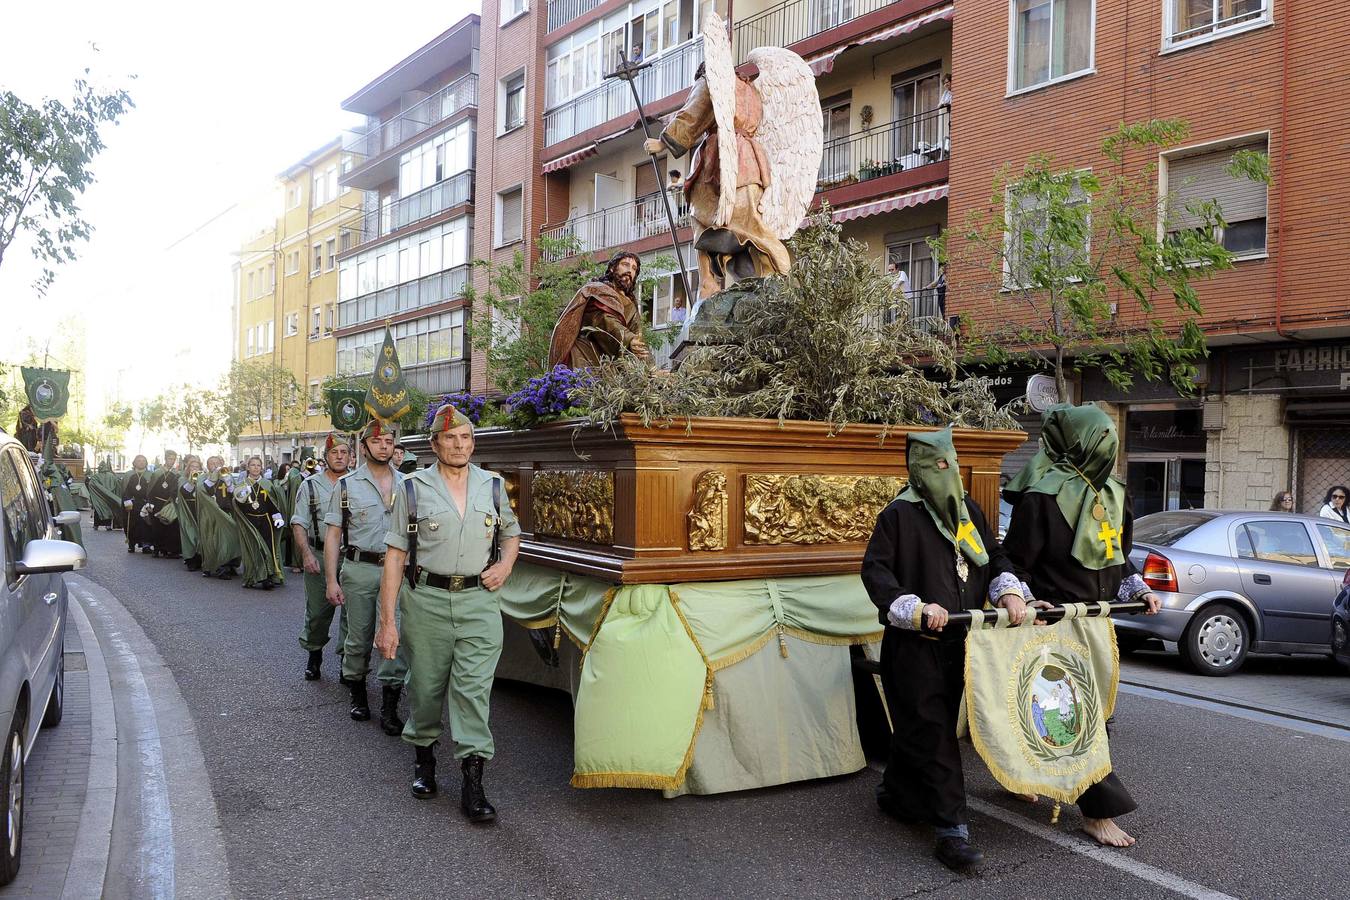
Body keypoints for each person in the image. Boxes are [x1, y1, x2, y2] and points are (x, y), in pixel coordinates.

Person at [861, 428, 1027, 872]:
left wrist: (1010, 592)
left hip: (966, 643)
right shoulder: (897, 515)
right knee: (933, 733)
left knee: (920, 729)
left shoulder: (966, 509)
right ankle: (952, 832)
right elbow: (876, 573)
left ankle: (897, 793)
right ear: (918, 471)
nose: (947, 472)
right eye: (937, 465)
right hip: (916, 648)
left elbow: (995, 555)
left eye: (951, 462)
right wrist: (915, 607)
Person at [1001, 404, 1162, 848]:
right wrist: (1029, 598)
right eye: (1101, 437)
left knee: (1091, 712)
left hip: (1099, 624)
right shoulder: (1041, 495)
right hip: (1054, 624)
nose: (1110, 445)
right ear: (1078, 443)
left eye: (1113, 436)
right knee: (1078, 715)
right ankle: (1097, 812)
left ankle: (1019, 772)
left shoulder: (1115, 493)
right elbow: (1013, 560)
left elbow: (1116, 553)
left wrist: (1137, 588)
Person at [375, 403, 520, 823]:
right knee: (426, 687)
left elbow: (511, 534)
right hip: (427, 603)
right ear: (435, 443)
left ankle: (473, 782)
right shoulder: (413, 489)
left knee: (473, 691)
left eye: (466, 438)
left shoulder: (493, 485)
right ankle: (424, 758)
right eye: (451, 438)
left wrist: (505, 565)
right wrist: (387, 623)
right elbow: (395, 556)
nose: (460, 445)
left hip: (479, 602)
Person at [645, 62, 790, 298]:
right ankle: (770, 282)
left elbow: (694, 112)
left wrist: (663, 143)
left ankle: (708, 283)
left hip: (723, 163)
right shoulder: (751, 90)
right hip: (753, 165)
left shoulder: (712, 80)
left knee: (700, 218)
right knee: (751, 229)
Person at [324, 421, 409, 731]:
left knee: (394, 636)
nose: (384, 446)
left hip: (396, 572)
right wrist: (331, 579)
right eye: (377, 441)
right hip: (360, 569)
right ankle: (358, 694)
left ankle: (390, 706)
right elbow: (333, 535)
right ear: (364, 448)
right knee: (358, 637)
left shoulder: (408, 484)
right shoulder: (346, 486)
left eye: (389, 441)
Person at [292, 435, 351, 681]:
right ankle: (314, 653)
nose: (339, 456)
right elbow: (299, 522)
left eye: (344, 452)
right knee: (317, 613)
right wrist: (306, 553)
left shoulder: (358, 483)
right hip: (319, 552)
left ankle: (349, 663)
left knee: (353, 615)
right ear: (325, 456)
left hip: (351, 557)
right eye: (334, 452)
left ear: (351, 456)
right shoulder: (310, 485)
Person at [547, 252, 651, 368]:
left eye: (634, 268)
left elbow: (638, 337)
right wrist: (629, 339)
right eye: (625, 265)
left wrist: (651, 369)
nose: (629, 270)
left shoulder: (631, 305)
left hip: (611, 362)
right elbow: (602, 320)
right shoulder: (597, 291)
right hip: (586, 355)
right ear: (612, 268)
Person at [230, 456, 286, 590]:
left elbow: (273, 504)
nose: (256, 468)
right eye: (253, 465)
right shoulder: (242, 484)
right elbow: (237, 504)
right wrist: (243, 493)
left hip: (266, 521)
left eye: (258, 465)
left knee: (267, 548)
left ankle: (267, 577)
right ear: (248, 467)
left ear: (261, 468)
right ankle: (253, 576)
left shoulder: (267, 484)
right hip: (249, 521)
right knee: (253, 549)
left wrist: (277, 517)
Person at [197, 459, 242, 580]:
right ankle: (217, 566)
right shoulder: (203, 478)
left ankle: (229, 564)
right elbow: (203, 491)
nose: (216, 466)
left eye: (218, 463)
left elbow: (234, 494)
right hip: (211, 514)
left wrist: (228, 482)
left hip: (226, 512)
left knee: (228, 540)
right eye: (212, 463)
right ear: (207, 466)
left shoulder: (227, 476)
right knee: (214, 541)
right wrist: (213, 477)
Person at [145, 450, 181, 559]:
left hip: (170, 504)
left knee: (171, 527)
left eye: (174, 459)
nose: (172, 461)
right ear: (165, 459)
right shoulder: (157, 473)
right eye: (170, 459)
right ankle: (156, 548)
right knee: (157, 527)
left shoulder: (176, 474)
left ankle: (169, 550)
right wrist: (149, 503)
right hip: (157, 503)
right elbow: (150, 489)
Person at [121, 455, 155, 554]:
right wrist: (127, 501)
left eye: (143, 461)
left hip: (145, 503)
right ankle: (131, 544)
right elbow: (124, 490)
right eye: (139, 461)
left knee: (145, 525)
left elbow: (152, 490)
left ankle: (146, 545)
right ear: (134, 462)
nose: (141, 462)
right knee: (131, 524)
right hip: (131, 503)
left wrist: (149, 502)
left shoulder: (150, 475)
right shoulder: (128, 475)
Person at [175, 455, 204, 571]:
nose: (194, 469)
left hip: (200, 509)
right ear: (188, 468)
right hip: (188, 509)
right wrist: (192, 481)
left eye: (197, 466)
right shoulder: (183, 478)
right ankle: (190, 559)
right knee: (190, 534)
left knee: (200, 534)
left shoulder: (203, 479)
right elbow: (184, 492)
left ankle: (200, 558)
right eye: (192, 466)